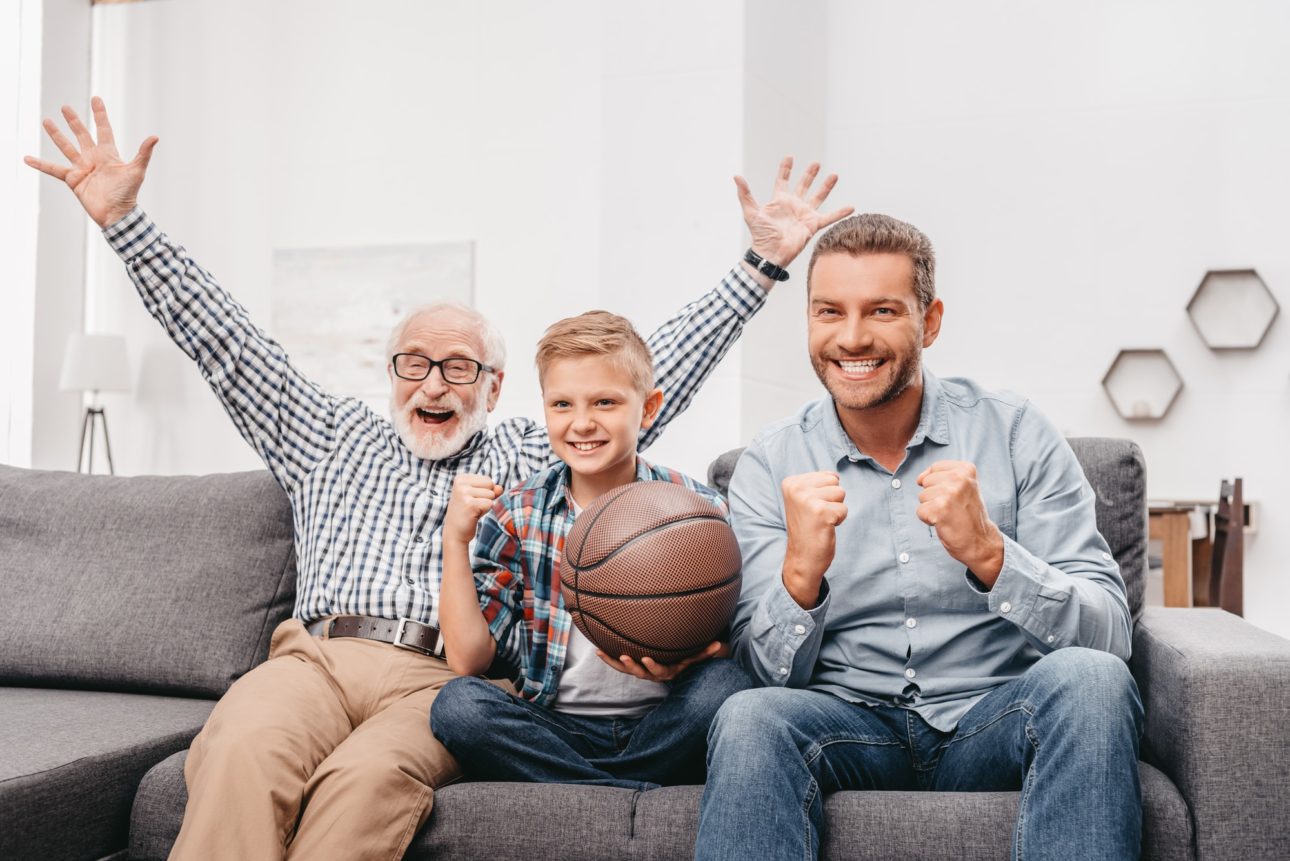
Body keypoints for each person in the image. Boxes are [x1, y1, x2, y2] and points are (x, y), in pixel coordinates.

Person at [24, 97, 852, 860]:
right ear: (390, 374)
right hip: (316, 657)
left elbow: (633, 375)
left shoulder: (533, 455)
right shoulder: (327, 435)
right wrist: (125, 223)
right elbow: (229, 343)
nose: (433, 384)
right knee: (242, 747)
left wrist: (761, 267)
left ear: (495, 388)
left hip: (440, 677)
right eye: (414, 363)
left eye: (460, 367)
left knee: (367, 784)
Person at [693, 214, 1143, 861]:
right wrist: (799, 577)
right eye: (828, 312)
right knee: (749, 718)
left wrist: (993, 556)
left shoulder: (1015, 432)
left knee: (1094, 681)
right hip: (849, 725)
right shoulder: (771, 461)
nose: (851, 338)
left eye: (880, 310)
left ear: (929, 322)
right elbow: (759, 675)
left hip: (994, 716)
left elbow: (1112, 633)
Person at [430, 311, 752, 788]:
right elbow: (469, 661)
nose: (582, 424)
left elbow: (732, 645)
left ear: (648, 408)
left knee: (728, 688)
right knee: (457, 705)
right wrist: (455, 541)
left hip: (664, 721)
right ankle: (626, 791)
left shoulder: (698, 509)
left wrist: (695, 658)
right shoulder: (517, 514)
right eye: (562, 405)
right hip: (557, 726)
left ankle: (585, 790)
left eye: (605, 402)